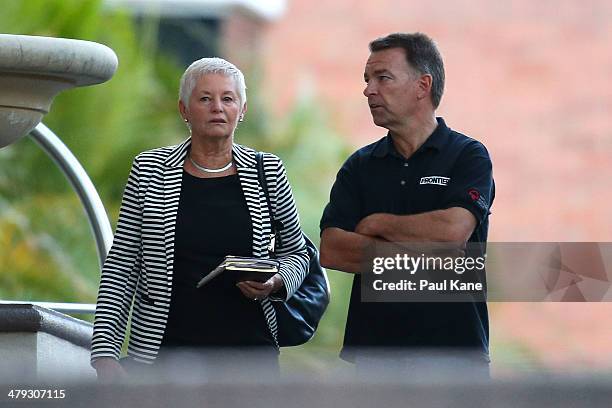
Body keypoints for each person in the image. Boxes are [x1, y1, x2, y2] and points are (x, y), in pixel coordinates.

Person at [91, 57, 308, 380]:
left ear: (242, 110)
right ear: (184, 110)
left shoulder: (268, 171)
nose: (217, 108)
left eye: (228, 99)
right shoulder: (149, 170)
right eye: (205, 98)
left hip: (249, 356)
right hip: (162, 355)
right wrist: (105, 354)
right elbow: (122, 265)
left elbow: (297, 253)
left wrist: (275, 282)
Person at [319, 33, 495, 374]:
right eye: (367, 80)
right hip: (375, 357)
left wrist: (377, 224)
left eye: (382, 78)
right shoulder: (360, 165)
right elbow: (333, 250)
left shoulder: (468, 156)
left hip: (456, 357)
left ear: (422, 85)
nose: (368, 90)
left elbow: (453, 232)